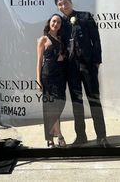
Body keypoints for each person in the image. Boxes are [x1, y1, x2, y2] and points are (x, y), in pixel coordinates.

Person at [54, 0, 108, 147]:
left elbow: (95, 40)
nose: (63, 6)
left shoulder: (85, 16)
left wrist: (96, 62)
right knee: (77, 103)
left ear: (71, 1)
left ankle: (102, 137)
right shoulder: (59, 23)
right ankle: (81, 136)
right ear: (58, 7)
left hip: (88, 66)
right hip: (71, 69)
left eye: (65, 2)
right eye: (60, 4)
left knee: (94, 100)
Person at [36, 14, 67, 148]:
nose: (56, 24)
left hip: (60, 76)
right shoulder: (43, 39)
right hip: (47, 76)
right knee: (49, 107)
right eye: (54, 21)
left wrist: (62, 56)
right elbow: (39, 61)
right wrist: (38, 80)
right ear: (49, 22)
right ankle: (54, 137)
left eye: (59, 22)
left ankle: (54, 134)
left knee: (59, 104)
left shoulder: (61, 39)